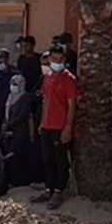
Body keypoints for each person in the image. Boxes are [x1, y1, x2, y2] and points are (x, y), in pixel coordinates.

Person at [35, 43, 77, 211]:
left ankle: (58, 192)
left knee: (61, 162)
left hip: (60, 127)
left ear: (64, 60)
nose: (56, 62)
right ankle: (48, 188)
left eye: (60, 59)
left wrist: (67, 128)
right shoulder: (47, 77)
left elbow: (72, 106)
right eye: (54, 59)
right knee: (47, 160)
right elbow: (46, 101)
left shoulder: (69, 80)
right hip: (47, 125)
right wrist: (42, 122)